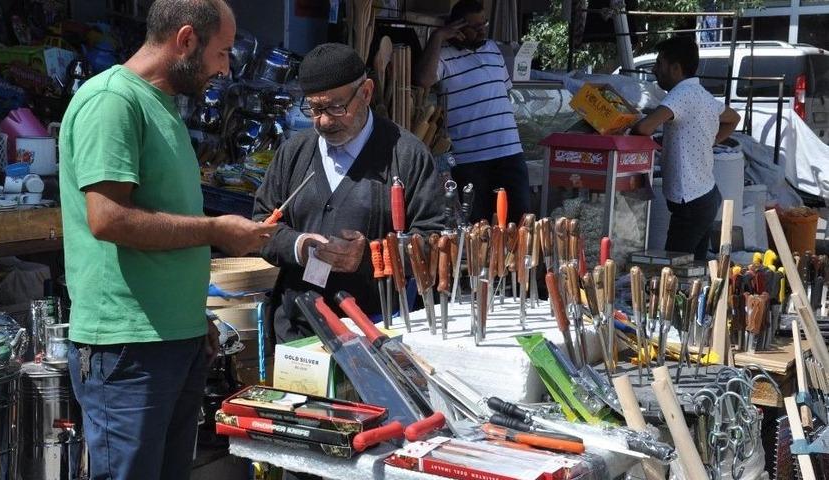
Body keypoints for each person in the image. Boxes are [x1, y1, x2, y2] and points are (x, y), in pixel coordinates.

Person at [58, 1, 277, 478]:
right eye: (221, 53)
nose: (224, 69)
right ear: (185, 40)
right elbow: (109, 218)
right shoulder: (113, 101)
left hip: (170, 340)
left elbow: (164, 225)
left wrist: (190, 317)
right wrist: (217, 231)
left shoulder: (161, 106)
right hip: (128, 347)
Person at [253, 43, 444, 345]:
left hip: (374, 330)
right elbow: (261, 226)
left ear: (366, 92)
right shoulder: (295, 151)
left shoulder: (406, 156)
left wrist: (369, 257)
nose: (325, 121)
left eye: (336, 107)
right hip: (296, 327)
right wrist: (299, 245)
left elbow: (434, 244)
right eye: (315, 109)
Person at [414, 0, 529, 224]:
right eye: (474, 27)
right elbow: (424, 79)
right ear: (456, 29)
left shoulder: (493, 49)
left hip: (509, 151)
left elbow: (503, 92)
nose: (481, 30)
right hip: (471, 159)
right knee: (479, 226)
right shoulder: (443, 55)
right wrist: (438, 37)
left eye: (483, 24)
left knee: (521, 221)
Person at [632, 36, 741, 260]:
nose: (654, 70)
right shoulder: (701, 94)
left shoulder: (680, 95)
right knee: (693, 271)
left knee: (672, 272)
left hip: (690, 202)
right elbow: (733, 118)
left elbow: (644, 127)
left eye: (659, 64)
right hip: (703, 197)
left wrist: (624, 123)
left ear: (675, 68)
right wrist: (710, 139)